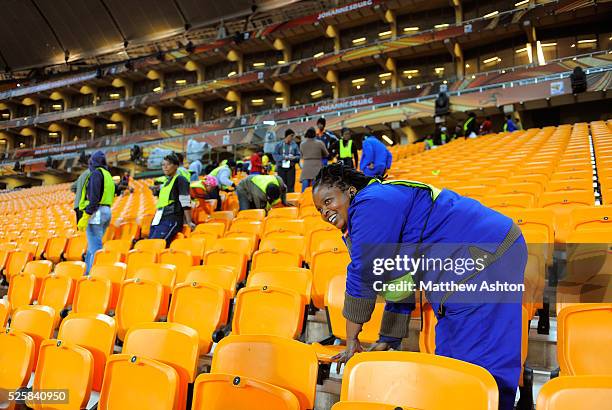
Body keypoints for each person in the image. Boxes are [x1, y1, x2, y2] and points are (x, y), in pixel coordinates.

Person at [312, 163, 527, 410]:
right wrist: (389, 337)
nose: (324, 212)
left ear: (350, 191)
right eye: (319, 209)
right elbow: (399, 277)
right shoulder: (378, 201)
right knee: (459, 356)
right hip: (485, 252)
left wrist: (352, 339)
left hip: (482, 256)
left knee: (473, 362)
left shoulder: (370, 203)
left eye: (328, 201)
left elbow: (363, 274)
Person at [77, 151, 115, 273]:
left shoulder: (96, 174)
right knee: (92, 245)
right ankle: (87, 272)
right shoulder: (107, 174)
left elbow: (94, 199)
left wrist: (86, 216)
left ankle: (94, 273)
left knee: (95, 247)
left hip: (96, 212)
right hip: (106, 211)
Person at [149, 153, 195, 245]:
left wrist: (189, 221)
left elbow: (185, 200)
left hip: (171, 218)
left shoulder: (180, 179)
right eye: (163, 165)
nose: (165, 167)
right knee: (150, 244)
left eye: (168, 164)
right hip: (159, 217)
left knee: (157, 245)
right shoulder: (165, 182)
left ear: (176, 166)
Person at [300, 127, 329, 192]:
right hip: (317, 165)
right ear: (315, 134)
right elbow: (326, 154)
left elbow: (301, 155)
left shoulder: (302, 144)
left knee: (305, 184)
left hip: (306, 166)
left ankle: (302, 199)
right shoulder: (319, 143)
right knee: (315, 186)